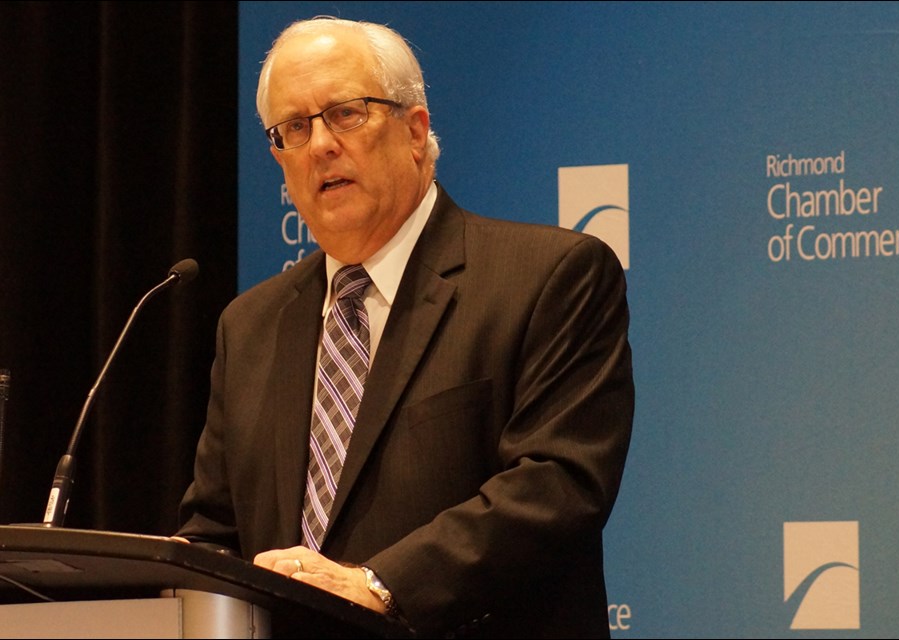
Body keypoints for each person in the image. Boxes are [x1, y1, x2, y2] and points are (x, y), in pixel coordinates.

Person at [176, 15, 634, 639]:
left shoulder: (549, 277)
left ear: (415, 130)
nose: (319, 146)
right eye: (293, 128)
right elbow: (215, 531)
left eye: (345, 114)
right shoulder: (250, 324)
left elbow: (556, 485)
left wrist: (378, 585)